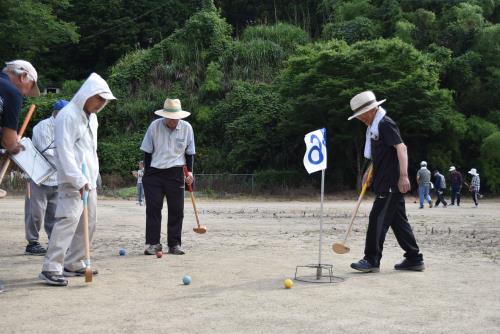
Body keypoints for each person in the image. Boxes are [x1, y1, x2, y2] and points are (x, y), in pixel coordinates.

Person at [39, 73, 116, 286]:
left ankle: (74, 262)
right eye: (99, 99)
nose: (102, 104)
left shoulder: (93, 118)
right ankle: (51, 267)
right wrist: (77, 179)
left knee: (89, 223)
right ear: (87, 94)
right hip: (72, 181)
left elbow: (91, 150)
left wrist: (92, 176)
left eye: (105, 101)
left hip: (88, 180)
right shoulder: (67, 115)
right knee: (67, 222)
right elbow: (65, 152)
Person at [347, 91, 424, 273]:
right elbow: (381, 154)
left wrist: (403, 176)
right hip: (383, 181)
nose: (360, 119)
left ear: (371, 110)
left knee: (377, 218)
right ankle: (414, 258)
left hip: (390, 183)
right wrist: (368, 171)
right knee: (398, 222)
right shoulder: (373, 128)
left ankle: (371, 259)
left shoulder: (385, 124)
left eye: (361, 115)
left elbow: (401, 148)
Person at [0, 60, 40, 292]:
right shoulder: (11, 92)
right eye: (29, 87)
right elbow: (10, 140)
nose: (26, 93)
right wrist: (15, 147)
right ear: (23, 77)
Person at [140, 98, 195, 256]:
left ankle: (174, 244)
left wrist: (189, 172)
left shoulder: (187, 128)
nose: (173, 121)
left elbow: (189, 153)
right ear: (164, 116)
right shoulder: (154, 127)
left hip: (176, 172)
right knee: (154, 209)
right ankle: (153, 244)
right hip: (154, 173)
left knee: (177, 210)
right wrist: (148, 175)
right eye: (170, 117)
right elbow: (147, 152)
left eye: (176, 118)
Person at [25, 100, 69, 256]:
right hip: (39, 176)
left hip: (58, 178)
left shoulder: (66, 127)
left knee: (54, 212)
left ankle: (53, 241)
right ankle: (32, 242)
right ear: (57, 113)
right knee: (35, 212)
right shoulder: (42, 127)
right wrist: (69, 164)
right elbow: (47, 152)